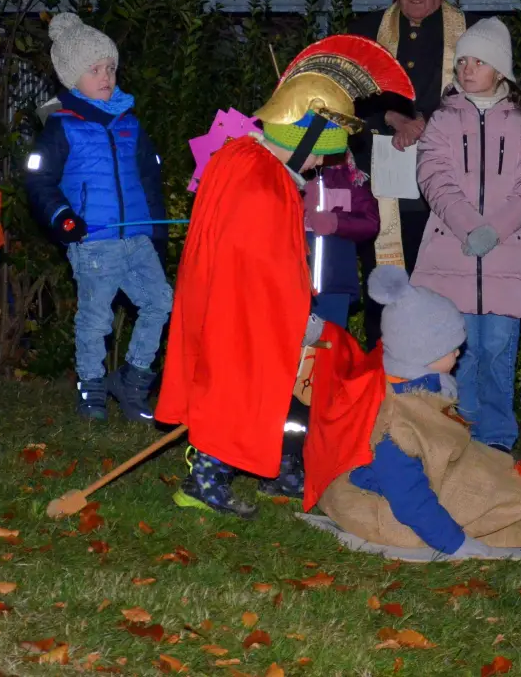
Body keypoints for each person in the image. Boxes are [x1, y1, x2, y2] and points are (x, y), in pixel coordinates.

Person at [154, 34, 413, 519]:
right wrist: (301, 318)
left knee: (234, 388)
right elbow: (266, 266)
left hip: (228, 303)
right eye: (318, 154)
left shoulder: (240, 159)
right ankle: (206, 480)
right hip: (244, 309)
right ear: (301, 138)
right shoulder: (264, 182)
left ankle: (230, 472)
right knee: (239, 389)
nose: (318, 166)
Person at [301, 266, 521, 562]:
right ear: (422, 352)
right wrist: (453, 543)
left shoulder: (404, 382)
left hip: (405, 487)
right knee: (489, 488)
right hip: (386, 512)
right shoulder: (394, 420)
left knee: (496, 469)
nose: (459, 350)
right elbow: (406, 495)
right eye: (450, 346)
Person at [23, 13, 170, 422]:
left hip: (136, 237)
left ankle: (133, 379)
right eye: (94, 69)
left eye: (110, 68)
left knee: (160, 302)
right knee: (96, 318)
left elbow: (149, 182)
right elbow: (39, 182)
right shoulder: (62, 127)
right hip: (94, 241)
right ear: (73, 77)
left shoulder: (131, 125)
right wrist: (64, 218)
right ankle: (90, 390)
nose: (106, 76)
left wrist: (156, 235)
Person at [412, 17, 521, 453]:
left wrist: (497, 228)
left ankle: (496, 439)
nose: (468, 68)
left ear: (501, 69)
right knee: (458, 351)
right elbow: (432, 174)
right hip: (452, 256)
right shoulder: (444, 119)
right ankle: (461, 435)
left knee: (496, 352)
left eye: (479, 61)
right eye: (463, 61)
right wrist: (469, 225)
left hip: (505, 257)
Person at [350, 0, 478, 338]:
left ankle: (434, 387)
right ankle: (382, 388)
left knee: (440, 295)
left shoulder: (474, 34)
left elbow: (491, 100)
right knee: (384, 292)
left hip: (448, 187)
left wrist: (428, 121)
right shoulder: (365, 31)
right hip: (382, 188)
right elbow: (342, 99)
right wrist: (390, 116)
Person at [303, 154, 379, 330]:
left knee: (331, 350)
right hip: (292, 285)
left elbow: (371, 223)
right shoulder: (286, 171)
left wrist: (336, 223)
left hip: (335, 285)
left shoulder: (347, 175)